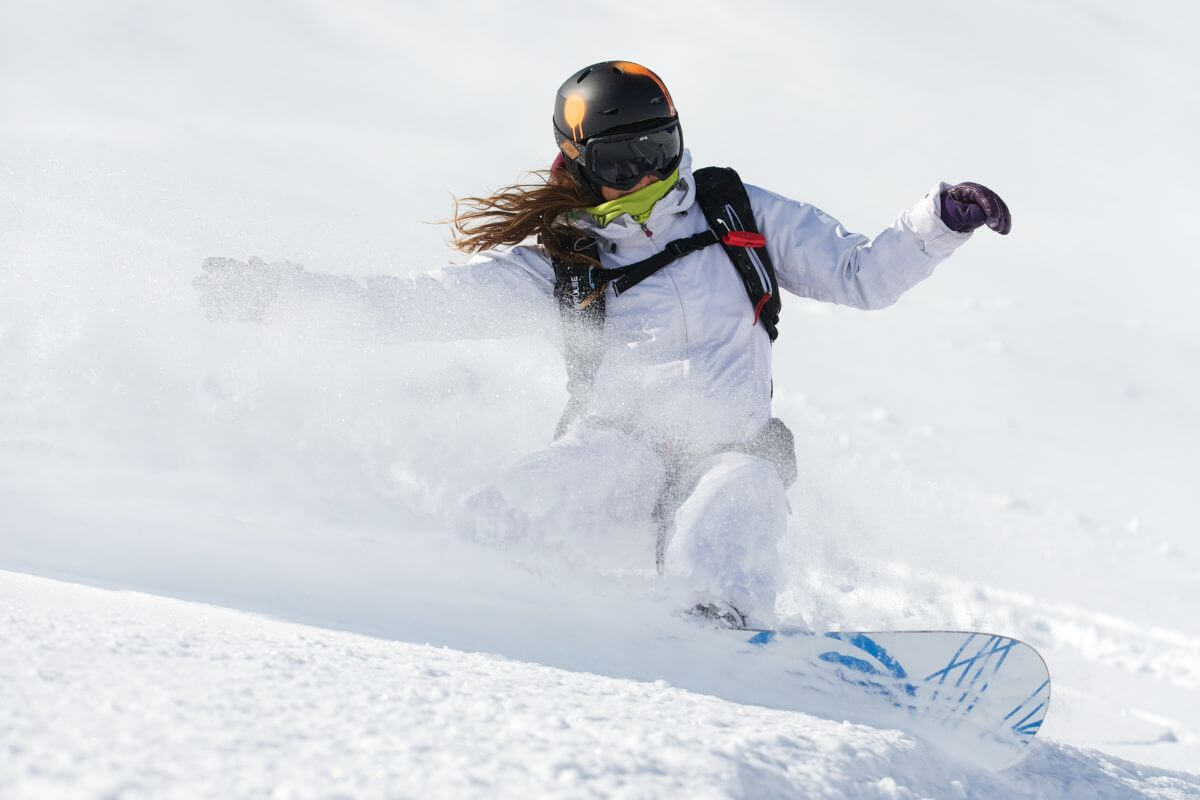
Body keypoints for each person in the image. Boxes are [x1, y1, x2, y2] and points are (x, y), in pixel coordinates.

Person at [195, 61, 1011, 630]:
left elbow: (859, 275)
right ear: (581, 165)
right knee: (515, 506)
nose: (646, 172)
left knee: (729, 510)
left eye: (658, 148)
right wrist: (281, 296)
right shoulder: (565, 263)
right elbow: (412, 309)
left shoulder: (734, 210)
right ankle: (474, 614)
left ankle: (721, 636)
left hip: (734, 449)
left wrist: (936, 222)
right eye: (623, 158)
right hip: (618, 448)